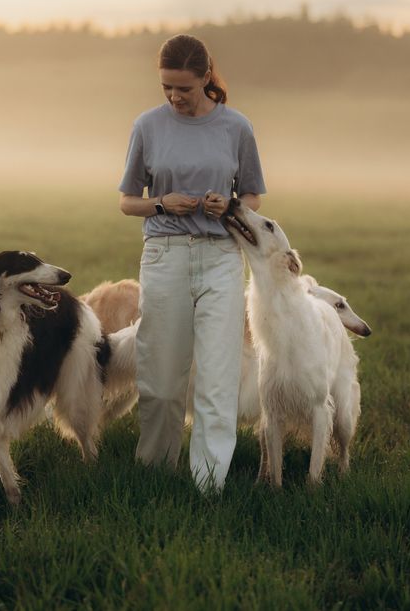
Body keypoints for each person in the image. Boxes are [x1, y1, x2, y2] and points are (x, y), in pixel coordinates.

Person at [118, 34, 266, 490]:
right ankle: (155, 477)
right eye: (167, 87)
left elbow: (254, 198)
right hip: (165, 257)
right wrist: (162, 203)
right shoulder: (147, 126)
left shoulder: (236, 127)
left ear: (206, 77)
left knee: (217, 384)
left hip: (222, 258)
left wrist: (231, 206)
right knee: (161, 384)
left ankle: (208, 488)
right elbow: (127, 201)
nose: (174, 97)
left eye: (183, 87)